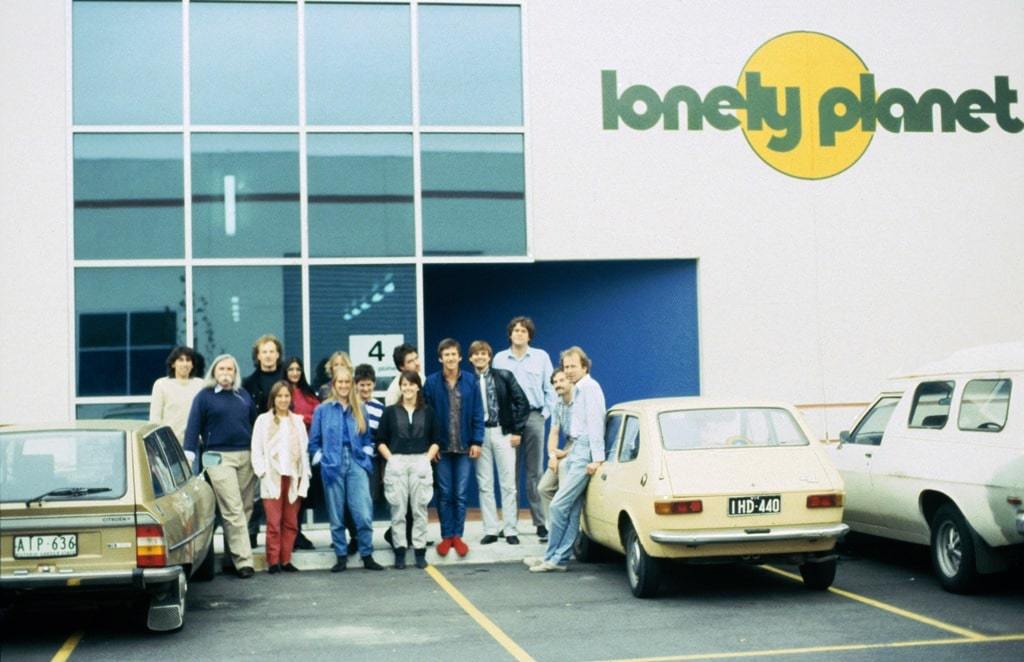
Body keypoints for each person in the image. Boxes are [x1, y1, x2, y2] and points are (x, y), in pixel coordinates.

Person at [525, 346, 606, 573]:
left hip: (584, 451)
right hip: (574, 450)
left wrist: (597, 459)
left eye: (573, 366)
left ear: (584, 366)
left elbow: (595, 424)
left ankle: (555, 557)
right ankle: (554, 558)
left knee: (560, 505)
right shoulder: (578, 390)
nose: (569, 371)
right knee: (569, 507)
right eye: (566, 366)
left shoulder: (590, 388)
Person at [184, 354, 258, 579]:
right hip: (217, 457)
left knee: (245, 509)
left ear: (235, 373)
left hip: (245, 455)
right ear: (214, 372)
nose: (226, 373)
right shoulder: (204, 397)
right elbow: (192, 427)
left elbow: (254, 423)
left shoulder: (243, 395)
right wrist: (188, 455)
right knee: (232, 508)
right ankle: (244, 561)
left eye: (230, 369)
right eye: (221, 369)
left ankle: (230, 557)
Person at [308, 365, 384, 572]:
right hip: (332, 463)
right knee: (336, 512)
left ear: (352, 385)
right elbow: (314, 442)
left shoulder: (360, 408)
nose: (343, 386)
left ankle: (366, 553)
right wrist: (321, 459)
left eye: (347, 382)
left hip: (356, 461)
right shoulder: (322, 410)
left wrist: (365, 456)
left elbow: (368, 438)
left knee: (363, 511)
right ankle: (341, 555)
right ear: (334, 385)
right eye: (339, 382)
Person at [493, 316, 556, 541]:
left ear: (530, 335)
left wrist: (545, 414)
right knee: (509, 473)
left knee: (534, 472)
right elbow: (494, 391)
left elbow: (551, 388)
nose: (519, 333)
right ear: (509, 334)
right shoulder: (499, 359)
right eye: (515, 330)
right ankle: (510, 524)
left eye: (524, 330)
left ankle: (540, 522)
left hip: (534, 416)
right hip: (508, 421)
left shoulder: (541, 357)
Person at [422, 338, 483, 558]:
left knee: (461, 493)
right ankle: (446, 535)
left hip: (465, 447)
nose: (450, 358)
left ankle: (458, 535)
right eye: (445, 355)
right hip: (442, 448)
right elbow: (426, 416)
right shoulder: (431, 383)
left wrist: (477, 441)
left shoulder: (471, 381)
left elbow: (477, 412)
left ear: (459, 357)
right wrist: (432, 444)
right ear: (440, 358)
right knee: (445, 493)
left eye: (453, 354)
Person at [375, 371, 441, 569]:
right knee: (398, 510)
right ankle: (400, 551)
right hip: (397, 462)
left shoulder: (428, 412)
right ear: (400, 387)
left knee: (420, 509)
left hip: (420, 461)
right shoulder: (390, 412)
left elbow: (437, 440)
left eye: (412, 384)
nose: (408, 388)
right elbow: (380, 440)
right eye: (404, 384)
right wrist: (391, 459)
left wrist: (426, 459)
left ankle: (420, 551)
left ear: (418, 387)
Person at [468, 340, 530, 546]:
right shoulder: (467, 381)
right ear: (470, 358)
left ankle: (511, 529)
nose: (480, 357)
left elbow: (522, 402)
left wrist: (517, 430)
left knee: (508, 484)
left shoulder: (504, 376)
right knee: (485, 483)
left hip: (503, 432)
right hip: (479, 435)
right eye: (476, 354)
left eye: (483, 353)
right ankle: (491, 529)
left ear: (489, 356)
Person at [251, 381, 311, 574]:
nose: (283, 400)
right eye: (279, 396)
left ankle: (286, 560)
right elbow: (257, 450)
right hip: (272, 477)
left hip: (293, 477)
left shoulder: (297, 421)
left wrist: (304, 476)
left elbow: (304, 451)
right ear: (273, 399)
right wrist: (262, 473)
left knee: (291, 522)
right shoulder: (263, 420)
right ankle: (273, 561)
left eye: (286, 396)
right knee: (274, 523)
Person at [242, 334, 285, 549]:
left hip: (286, 441)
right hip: (260, 441)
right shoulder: (248, 383)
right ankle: (252, 532)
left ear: (278, 354)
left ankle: (290, 536)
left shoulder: (289, 378)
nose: (268, 356)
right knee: (257, 492)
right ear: (257, 356)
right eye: (264, 352)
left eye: (272, 351)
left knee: (288, 490)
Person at [284, 356, 321, 551]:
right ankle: (291, 535)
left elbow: (319, 414)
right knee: (291, 495)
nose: (295, 373)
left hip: (308, 449)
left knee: (303, 494)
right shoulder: (283, 392)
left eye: (298, 369)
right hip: (289, 450)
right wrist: (304, 419)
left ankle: (298, 533)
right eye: (291, 369)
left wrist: (302, 418)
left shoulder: (308, 392)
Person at [537, 368, 574, 540]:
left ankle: (568, 534)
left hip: (581, 447)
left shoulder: (580, 401)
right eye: (555, 382)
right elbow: (553, 432)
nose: (558, 384)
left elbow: (587, 436)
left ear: (570, 381)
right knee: (544, 487)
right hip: (567, 447)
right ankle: (554, 531)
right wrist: (552, 456)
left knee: (564, 490)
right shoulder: (557, 404)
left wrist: (565, 454)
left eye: (562, 380)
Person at [149, 345, 205, 445]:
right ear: (173, 364)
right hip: (168, 445)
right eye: (180, 360)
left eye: (188, 360)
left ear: (192, 365)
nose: (185, 364)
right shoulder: (161, 384)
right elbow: (155, 419)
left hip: (193, 445)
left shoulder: (201, 384)